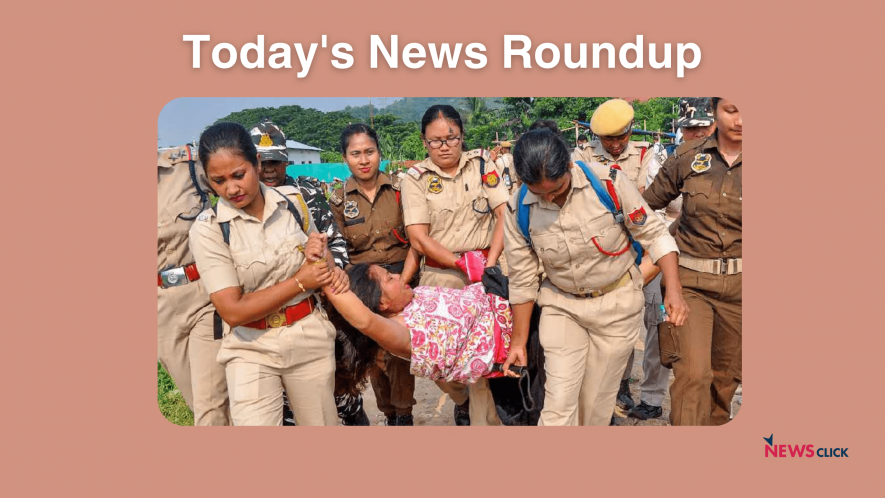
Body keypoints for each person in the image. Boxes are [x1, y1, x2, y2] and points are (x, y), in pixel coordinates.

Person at [501, 129, 688, 426]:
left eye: (557, 188)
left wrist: (673, 291)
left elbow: (654, 235)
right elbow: (523, 282)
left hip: (616, 306)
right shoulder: (516, 210)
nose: (549, 197)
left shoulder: (608, 183)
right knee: (558, 404)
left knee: (595, 407)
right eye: (540, 192)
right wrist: (518, 343)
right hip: (562, 307)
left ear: (569, 167)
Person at [188, 122, 350, 426]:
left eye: (239, 175)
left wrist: (326, 264)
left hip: (308, 337)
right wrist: (301, 281)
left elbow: (320, 256)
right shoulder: (208, 229)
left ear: (256, 164)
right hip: (251, 346)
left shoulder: (292, 202)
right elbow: (233, 310)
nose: (231, 188)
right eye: (218, 181)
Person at [401, 104, 510, 426]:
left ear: (462, 136)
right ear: (424, 142)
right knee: (432, 354)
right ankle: (460, 399)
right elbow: (418, 237)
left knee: (485, 353)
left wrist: (488, 266)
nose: (445, 146)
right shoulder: (415, 179)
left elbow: (503, 213)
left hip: (487, 270)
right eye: (436, 141)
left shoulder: (480, 164)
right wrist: (463, 265)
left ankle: (484, 416)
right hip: (441, 275)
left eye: (451, 138)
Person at [643, 97, 742, 426]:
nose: (740, 120)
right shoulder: (687, 157)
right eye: (731, 110)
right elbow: (644, 213)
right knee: (694, 376)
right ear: (716, 111)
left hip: (741, 291)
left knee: (725, 381)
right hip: (690, 285)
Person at [624, 98, 719, 421]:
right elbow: (647, 209)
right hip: (668, 260)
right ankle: (652, 396)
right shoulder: (672, 161)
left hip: (722, 271)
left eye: (703, 127)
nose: (697, 135)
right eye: (690, 129)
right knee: (659, 329)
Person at [329, 123, 420, 426]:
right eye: (356, 154)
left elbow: (416, 239)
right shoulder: (339, 200)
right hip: (365, 286)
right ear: (345, 158)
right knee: (375, 357)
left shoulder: (400, 189)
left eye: (369, 152)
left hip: (401, 277)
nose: (364, 159)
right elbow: (339, 250)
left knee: (399, 353)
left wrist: (403, 281)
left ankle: (404, 414)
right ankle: (389, 412)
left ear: (379, 153)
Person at [322, 263, 515, 386]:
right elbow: (365, 321)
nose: (398, 275)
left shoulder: (413, 296)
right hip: (512, 334)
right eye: (390, 278)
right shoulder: (400, 331)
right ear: (382, 303)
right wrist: (323, 272)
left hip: (503, 297)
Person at [158, 144, 231, 425]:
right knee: (197, 402)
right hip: (159, 309)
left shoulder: (186, 166)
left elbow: (237, 188)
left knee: (210, 406)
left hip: (201, 294)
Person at [574, 98, 652, 194]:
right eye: (608, 139)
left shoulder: (644, 153)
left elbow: (644, 194)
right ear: (599, 136)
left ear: (630, 132)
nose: (615, 145)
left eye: (621, 138)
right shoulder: (584, 154)